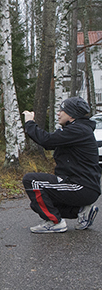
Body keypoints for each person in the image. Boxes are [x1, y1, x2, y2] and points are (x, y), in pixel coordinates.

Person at [22, 97, 101, 233]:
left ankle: (55, 222)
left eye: (61, 111)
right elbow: (51, 142)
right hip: (83, 186)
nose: (58, 113)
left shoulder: (78, 130)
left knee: (32, 180)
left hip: (81, 186)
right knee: (38, 204)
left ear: (71, 114)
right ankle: (82, 212)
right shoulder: (78, 130)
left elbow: (47, 141)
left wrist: (29, 122)